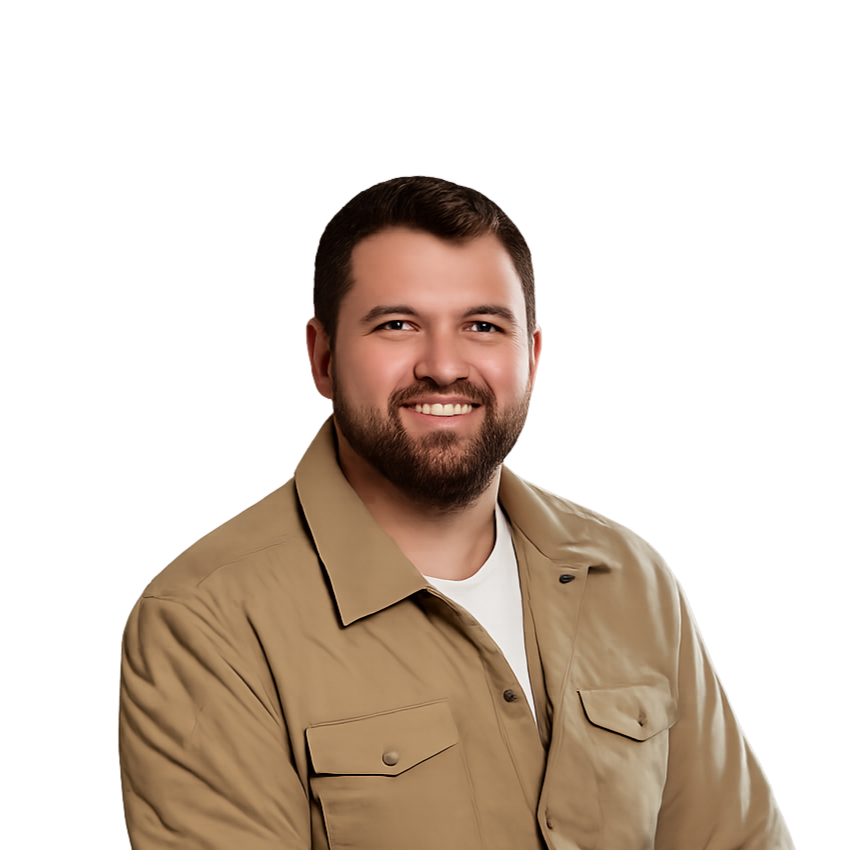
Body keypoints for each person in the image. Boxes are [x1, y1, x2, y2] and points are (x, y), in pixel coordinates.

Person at [119, 176, 795, 850]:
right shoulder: (206, 627)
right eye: (397, 325)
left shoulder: (632, 581)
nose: (443, 366)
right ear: (323, 358)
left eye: (481, 325)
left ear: (530, 356)